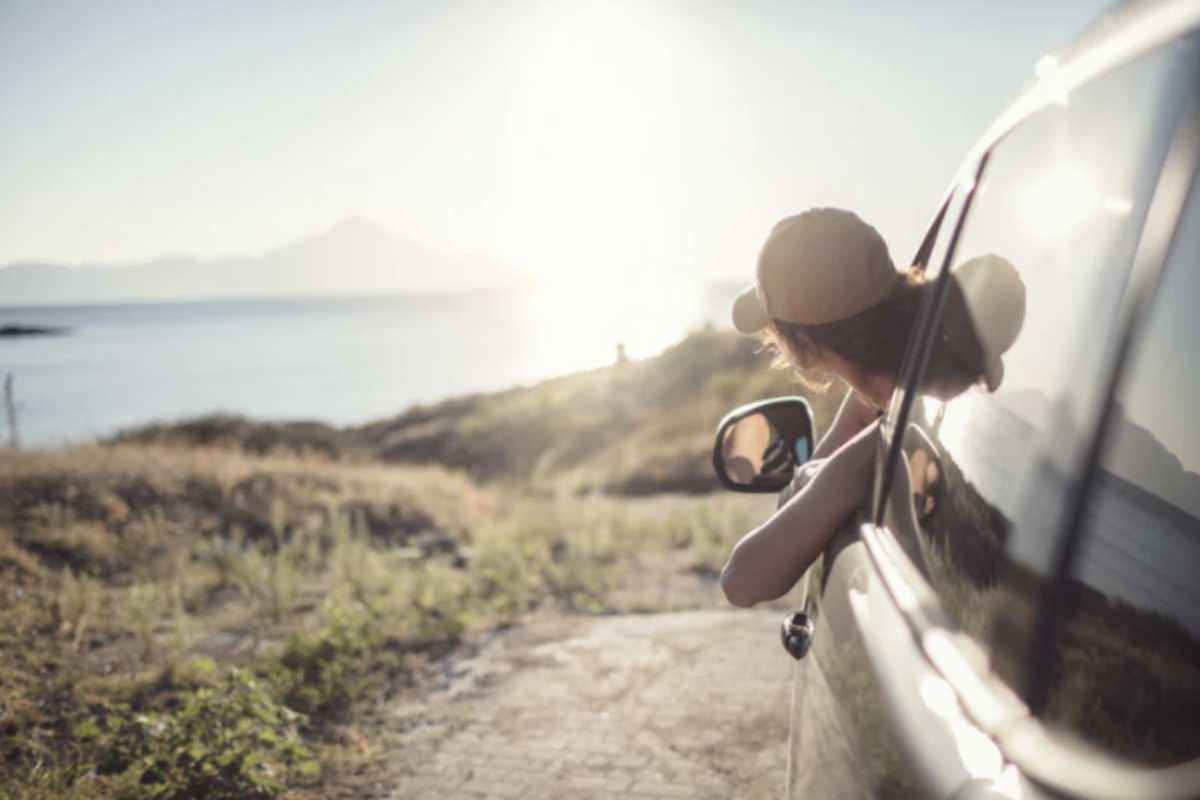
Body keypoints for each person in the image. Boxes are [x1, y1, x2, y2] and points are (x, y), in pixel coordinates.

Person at [719, 208, 1024, 608]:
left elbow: (742, 581)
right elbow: (798, 499)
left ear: (805, 348)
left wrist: (831, 475)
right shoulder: (919, 396)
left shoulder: (886, 443)